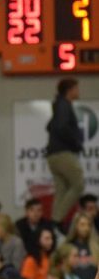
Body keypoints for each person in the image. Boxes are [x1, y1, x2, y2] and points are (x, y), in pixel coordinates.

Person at [46, 77, 84, 228]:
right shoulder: (64, 105)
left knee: (61, 190)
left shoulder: (57, 106)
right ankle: (56, 220)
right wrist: (75, 142)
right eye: (76, 88)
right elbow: (61, 127)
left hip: (52, 154)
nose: (78, 91)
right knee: (78, 184)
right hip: (62, 152)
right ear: (70, 90)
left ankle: (54, 223)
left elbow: (50, 127)